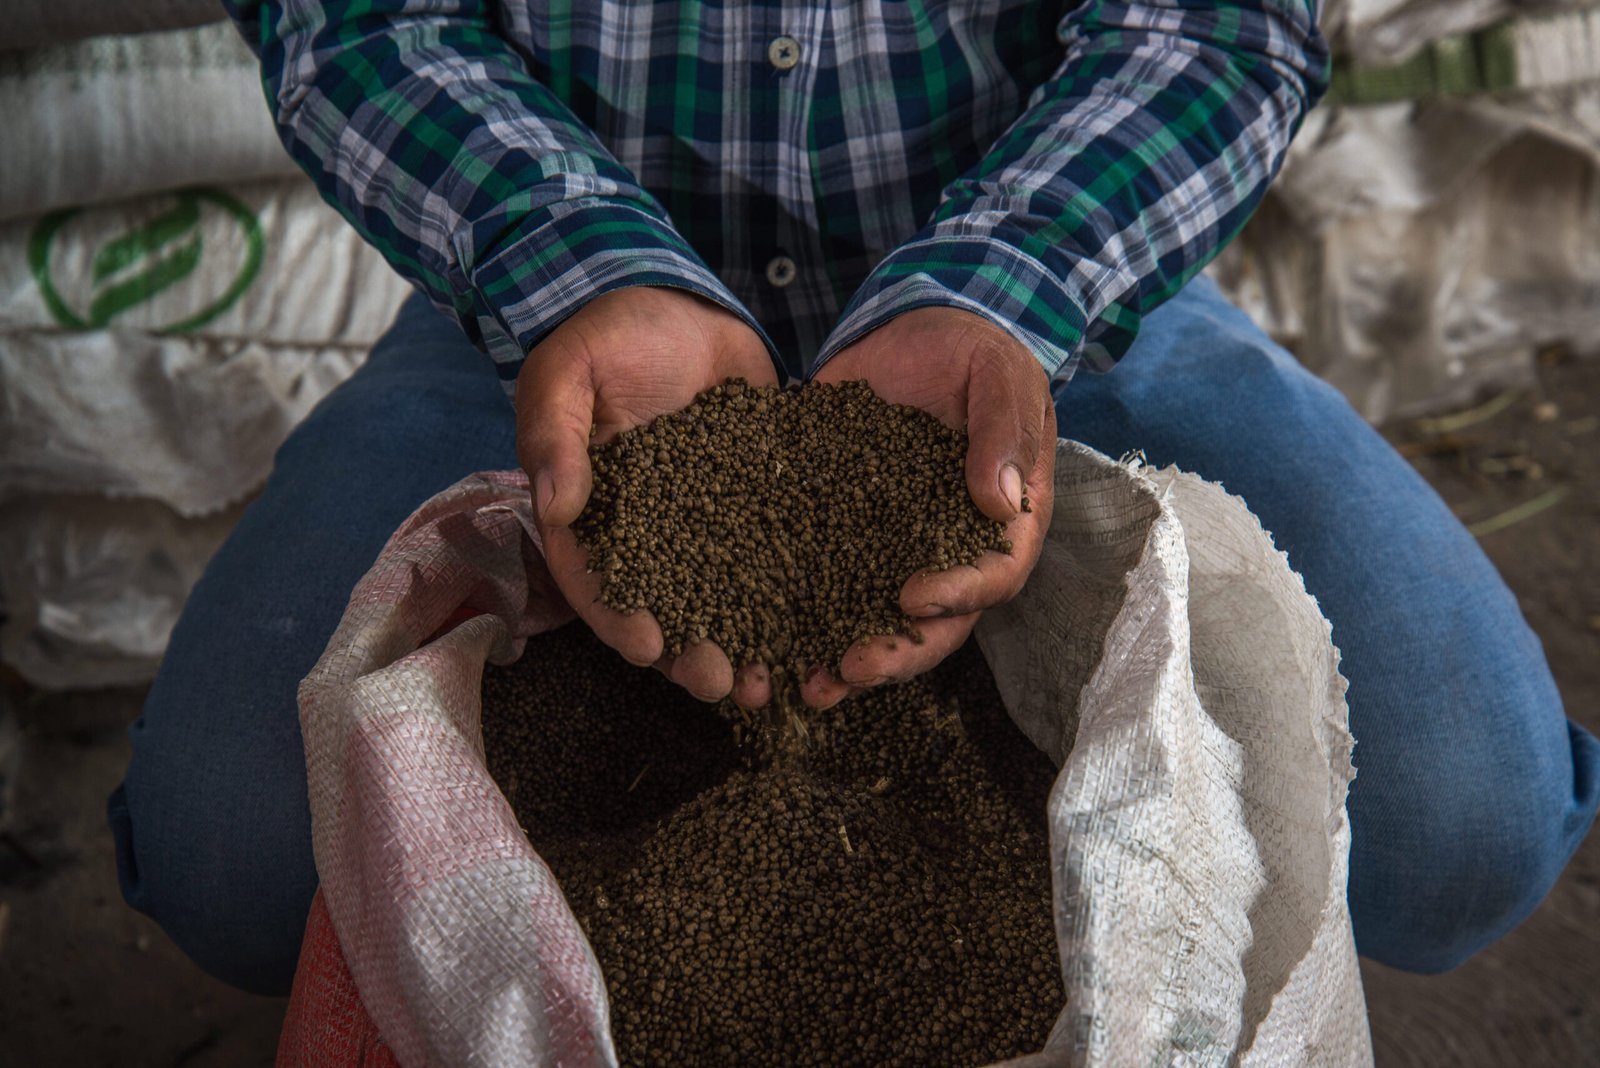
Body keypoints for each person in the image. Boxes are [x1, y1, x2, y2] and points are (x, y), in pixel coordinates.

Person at [110, 0, 1598, 998]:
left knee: (1469, 821)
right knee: (233, 860)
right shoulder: (565, 287)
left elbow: (1215, 28)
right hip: (550, 299)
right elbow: (359, 22)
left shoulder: (1022, 285)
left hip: (1037, 280)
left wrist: (998, 294)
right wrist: (584, 274)